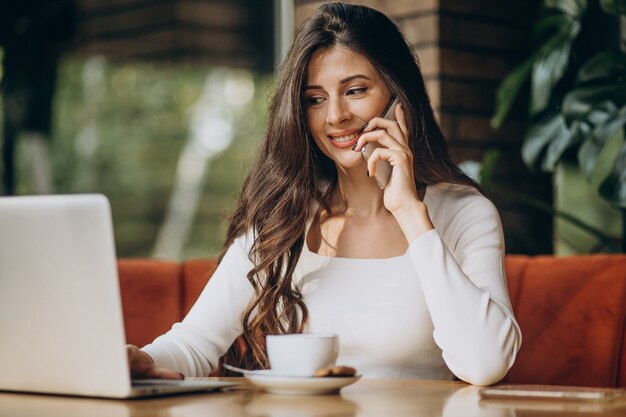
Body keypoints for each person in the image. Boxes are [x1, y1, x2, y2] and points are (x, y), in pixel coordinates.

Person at [128, 2, 521, 386]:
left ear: (399, 98)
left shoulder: (463, 213)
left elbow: (486, 364)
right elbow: (195, 343)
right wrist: (139, 361)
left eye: (355, 90)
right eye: (315, 99)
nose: (335, 116)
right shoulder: (284, 216)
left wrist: (409, 211)